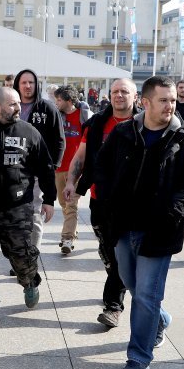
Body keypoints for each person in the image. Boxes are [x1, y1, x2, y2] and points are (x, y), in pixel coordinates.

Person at [94, 76, 184, 369]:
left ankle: (139, 356)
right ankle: (160, 318)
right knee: (133, 286)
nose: (170, 105)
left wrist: (174, 208)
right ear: (144, 103)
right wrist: (107, 202)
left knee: (145, 294)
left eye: (173, 100)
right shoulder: (122, 132)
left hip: (159, 231)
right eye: (163, 100)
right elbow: (101, 167)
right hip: (122, 227)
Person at [0, 87, 56, 320]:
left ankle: (29, 282)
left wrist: (49, 199)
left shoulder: (30, 132)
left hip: (17, 208)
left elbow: (46, 169)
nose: (19, 108)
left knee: (22, 254)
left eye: (18, 103)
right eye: (13, 104)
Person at [64, 78, 138, 328]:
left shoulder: (143, 123)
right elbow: (80, 156)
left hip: (131, 202)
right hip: (100, 199)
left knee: (120, 256)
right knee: (109, 253)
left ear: (135, 96)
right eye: (115, 91)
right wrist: (72, 182)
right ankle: (118, 282)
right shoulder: (97, 123)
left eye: (124, 91)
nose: (119, 95)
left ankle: (113, 306)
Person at [13, 69, 65, 250]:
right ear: (17, 85)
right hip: (11, 171)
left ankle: (30, 255)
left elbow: (59, 140)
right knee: (14, 215)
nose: (28, 86)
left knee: (34, 212)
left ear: (36, 85)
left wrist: (52, 167)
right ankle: (18, 255)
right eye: (24, 83)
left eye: (31, 82)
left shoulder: (48, 108)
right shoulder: (10, 106)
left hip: (36, 172)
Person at [53, 85, 89, 254]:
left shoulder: (84, 116)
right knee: (63, 204)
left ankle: (67, 238)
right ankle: (72, 230)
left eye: (59, 99)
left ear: (68, 100)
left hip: (76, 169)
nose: (56, 102)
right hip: (59, 167)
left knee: (71, 203)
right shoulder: (56, 116)